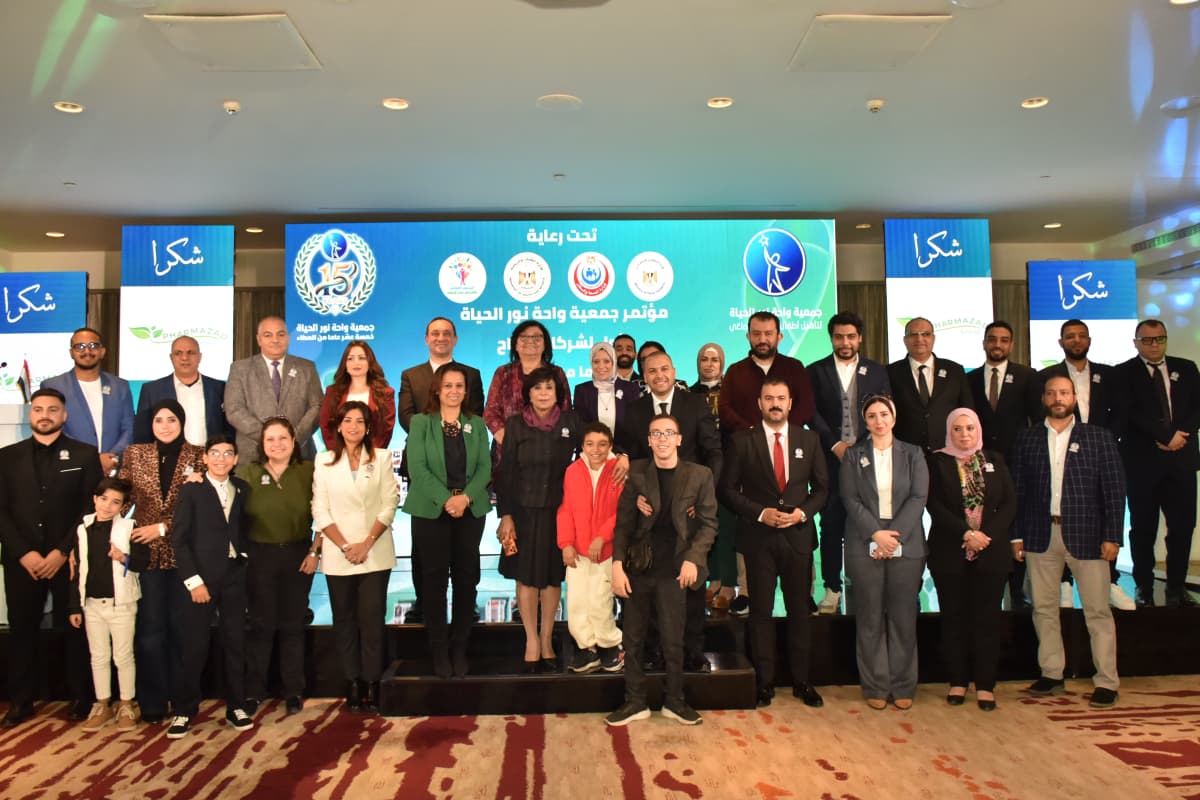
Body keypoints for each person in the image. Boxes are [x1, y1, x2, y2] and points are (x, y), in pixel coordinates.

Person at [1010, 376, 1124, 708]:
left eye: (1063, 393)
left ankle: (1106, 681)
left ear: (1074, 397)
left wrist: (1113, 535)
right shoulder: (1028, 438)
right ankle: (1052, 674)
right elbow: (1018, 490)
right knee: (1043, 609)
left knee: (1097, 611)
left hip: (1089, 536)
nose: (1057, 398)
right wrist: (1016, 534)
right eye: (1051, 393)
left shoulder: (1098, 437)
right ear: (1043, 399)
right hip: (1039, 534)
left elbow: (1114, 489)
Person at [720, 378, 828, 708]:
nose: (775, 403)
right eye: (769, 398)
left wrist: (801, 514)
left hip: (798, 538)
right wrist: (760, 513)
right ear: (760, 403)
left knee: (800, 613)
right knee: (761, 613)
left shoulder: (809, 439)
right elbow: (727, 490)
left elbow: (822, 489)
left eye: (781, 398)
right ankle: (764, 683)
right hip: (759, 539)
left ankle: (802, 682)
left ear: (791, 403)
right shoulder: (742, 441)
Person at [606, 414, 718, 727]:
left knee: (673, 639)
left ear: (679, 439)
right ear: (649, 440)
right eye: (656, 433)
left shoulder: (700, 475)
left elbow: (709, 524)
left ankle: (675, 701)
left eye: (669, 433)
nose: (663, 439)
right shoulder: (637, 474)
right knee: (633, 639)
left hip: (677, 569)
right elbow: (623, 525)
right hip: (640, 567)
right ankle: (635, 701)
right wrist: (617, 565)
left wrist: (693, 559)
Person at [0, 387, 102, 728]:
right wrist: (24, 553)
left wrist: (62, 551)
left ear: (64, 415)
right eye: (39, 409)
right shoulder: (6, 456)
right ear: (31, 414)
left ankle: (79, 697)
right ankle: (21, 701)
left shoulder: (85, 454)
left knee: (73, 629)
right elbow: (1, 511)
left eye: (52, 409)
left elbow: (89, 509)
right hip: (22, 561)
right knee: (22, 630)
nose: (45, 415)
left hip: (67, 559)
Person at [625, 350, 721, 672]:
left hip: (689, 513)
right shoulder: (635, 410)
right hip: (650, 515)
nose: (659, 375)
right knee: (652, 585)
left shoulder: (695, 404)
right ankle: (655, 652)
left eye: (664, 369)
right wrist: (637, 496)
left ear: (674, 370)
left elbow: (713, 452)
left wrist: (703, 495)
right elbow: (631, 459)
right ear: (644, 376)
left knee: (690, 585)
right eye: (652, 371)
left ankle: (693, 652)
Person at [118, 398, 206, 725]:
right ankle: (153, 702)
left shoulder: (199, 455)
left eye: (172, 419)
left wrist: (163, 527)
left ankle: (185, 702)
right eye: (159, 420)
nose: (165, 425)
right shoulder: (135, 454)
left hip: (187, 557)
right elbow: (121, 497)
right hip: (149, 557)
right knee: (150, 631)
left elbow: (201, 507)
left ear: (182, 422)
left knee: (185, 632)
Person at [402, 364, 492, 678]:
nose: (454, 391)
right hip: (431, 512)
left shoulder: (476, 424)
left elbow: (485, 468)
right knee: (434, 582)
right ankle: (439, 650)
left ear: (466, 391)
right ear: (437, 390)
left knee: (466, 581)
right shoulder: (421, 423)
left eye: (459, 386)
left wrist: (464, 498)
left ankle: (459, 648)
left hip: (469, 511)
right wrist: (446, 500)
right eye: (448, 385)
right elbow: (417, 468)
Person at [840, 394, 929, 710]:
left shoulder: (913, 454)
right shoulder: (854, 455)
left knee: (903, 618)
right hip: (865, 541)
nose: (879, 421)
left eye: (884, 414)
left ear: (893, 418)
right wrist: (876, 535)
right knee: (870, 618)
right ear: (865, 422)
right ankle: (876, 686)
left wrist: (893, 538)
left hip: (907, 543)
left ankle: (903, 685)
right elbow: (850, 499)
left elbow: (919, 497)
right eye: (872, 416)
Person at [926, 408, 1017, 711]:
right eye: (957, 429)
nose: (964, 434)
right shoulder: (937, 462)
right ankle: (957, 681)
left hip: (991, 552)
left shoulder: (995, 460)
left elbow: (1009, 503)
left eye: (970, 428)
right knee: (953, 619)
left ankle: (985, 685)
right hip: (949, 551)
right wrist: (966, 534)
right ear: (948, 432)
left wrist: (985, 535)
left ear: (978, 430)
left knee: (987, 620)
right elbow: (934, 505)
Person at [312, 401, 399, 714]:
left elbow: (390, 503)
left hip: (374, 551)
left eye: (360, 421)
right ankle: (352, 682)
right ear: (338, 425)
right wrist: (345, 546)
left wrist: (366, 543)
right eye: (347, 420)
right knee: (345, 621)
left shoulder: (382, 458)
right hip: (339, 554)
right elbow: (319, 508)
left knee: (372, 621)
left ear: (368, 427)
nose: (353, 427)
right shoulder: (323, 461)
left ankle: (373, 681)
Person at [397, 317, 485, 625]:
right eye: (435, 333)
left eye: (447, 333)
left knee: (466, 554)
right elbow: (406, 416)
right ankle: (424, 602)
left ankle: (467, 603)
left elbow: (476, 414)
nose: (441, 337)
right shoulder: (411, 375)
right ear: (426, 338)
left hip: (464, 466)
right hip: (424, 467)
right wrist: (431, 435)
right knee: (424, 547)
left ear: (455, 339)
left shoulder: (471, 374)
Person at [1037, 319, 1129, 609]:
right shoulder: (1046, 376)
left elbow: (1122, 413)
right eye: (1070, 336)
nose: (1076, 340)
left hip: (1099, 453)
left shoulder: (1109, 375)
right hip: (1058, 451)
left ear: (1089, 340)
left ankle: (1110, 581)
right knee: (1062, 514)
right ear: (1061, 342)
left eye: (1081, 336)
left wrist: (1105, 441)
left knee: (1101, 514)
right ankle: (1064, 583)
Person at [495, 367, 581, 672]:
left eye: (549, 388)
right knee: (527, 577)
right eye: (537, 388)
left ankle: (547, 640)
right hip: (522, 512)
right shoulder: (516, 424)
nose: (543, 393)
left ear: (558, 394)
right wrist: (506, 515)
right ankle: (531, 640)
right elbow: (505, 473)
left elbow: (592, 453)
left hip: (560, 512)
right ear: (528, 394)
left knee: (552, 577)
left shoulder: (571, 423)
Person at [168, 434, 253, 738]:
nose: (221, 459)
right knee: (194, 646)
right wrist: (194, 582)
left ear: (236, 459)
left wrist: (244, 558)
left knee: (235, 643)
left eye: (228, 453)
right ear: (204, 458)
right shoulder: (191, 489)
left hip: (234, 578)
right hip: (200, 581)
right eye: (215, 453)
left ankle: (237, 706)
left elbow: (244, 529)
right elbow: (179, 539)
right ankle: (184, 710)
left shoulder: (242, 488)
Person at [808, 311, 891, 614]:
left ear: (860, 338)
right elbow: (810, 412)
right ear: (831, 338)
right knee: (831, 523)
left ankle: (867, 582)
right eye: (839, 337)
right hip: (829, 459)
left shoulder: (876, 371)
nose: (845, 342)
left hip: (870, 459)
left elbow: (885, 407)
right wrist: (835, 444)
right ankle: (832, 587)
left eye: (851, 336)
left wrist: (863, 443)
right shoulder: (815, 371)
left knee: (870, 521)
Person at [1116, 319, 1200, 608]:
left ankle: (1176, 587)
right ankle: (1144, 586)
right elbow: (1129, 413)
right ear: (1136, 342)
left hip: (1181, 460)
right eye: (1147, 339)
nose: (1154, 344)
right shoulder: (1123, 373)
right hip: (1142, 464)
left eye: (1159, 338)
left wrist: (1179, 436)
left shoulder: (1186, 368)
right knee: (1143, 529)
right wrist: (1164, 436)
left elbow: (1197, 407)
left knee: (1182, 527)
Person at [238, 417, 317, 716]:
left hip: (298, 555)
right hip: (259, 557)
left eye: (283, 438)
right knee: (261, 624)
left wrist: (315, 551)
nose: (277, 444)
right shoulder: (247, 473)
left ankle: (293, 691)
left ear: (294, 441)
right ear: (262, 443)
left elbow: (326, 512)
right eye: (270, 439)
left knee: (293, 624)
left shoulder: (308, 471)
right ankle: (254, 691)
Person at [69, 477, 149, 731]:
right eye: (103, 499)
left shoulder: (130, 527)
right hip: (92, 604)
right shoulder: (82, 528)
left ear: (123, 506)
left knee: (123, 656)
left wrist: (122, 557)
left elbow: (142, 562)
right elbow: (76, 570)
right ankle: (102, 704)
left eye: (115, 502)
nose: (107, 506)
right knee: (99, 656)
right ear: (95, 499)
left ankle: (126, 703)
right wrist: (75, 606)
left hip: (120, 604)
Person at [556, 422, 625, 674]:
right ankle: (587, 648)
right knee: (577, 602)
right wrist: (566, 543)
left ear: (611, 446)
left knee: (600, 600)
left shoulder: (618, 470)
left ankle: (611, 645)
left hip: (605, 552)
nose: (596, 449)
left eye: (602, 444)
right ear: (582, 446)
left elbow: (621, 512)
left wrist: (602, 538)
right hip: (577, 551)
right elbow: (566, 510)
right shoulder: (573, 471)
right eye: (590, 444)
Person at [224, 316, 322, 460]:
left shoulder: (307, 367)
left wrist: (293, 438)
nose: (275, 340)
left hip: (299, 452)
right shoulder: (240, 368)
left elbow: (317, 406)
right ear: (259, 339)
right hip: (253, 455)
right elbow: (234, 409)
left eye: (280, 334)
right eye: (268, 335)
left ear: (288, 338)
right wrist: (268, 438)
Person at [689, 342, 740, 612]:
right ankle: (714, 579)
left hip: (731, 466)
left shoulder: (732, 393)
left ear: (722, 363)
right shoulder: (688, 394)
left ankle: (729, 584)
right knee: (705, 523)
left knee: (727, 525)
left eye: (714, 359)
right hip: (699, 468)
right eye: (704, 359)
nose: (709, 364)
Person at [43, 327, 134, 475]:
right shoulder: (53, 386)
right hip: (71, 469)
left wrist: (112, 458)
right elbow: (55, 429)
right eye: (79, 346)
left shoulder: (120, 386)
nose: (87, 351)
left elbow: (129, 428)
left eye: (93, 346)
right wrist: (90, 458)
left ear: (102, 351)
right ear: (71, 353)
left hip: (112, 471)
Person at [886, 317, 973, 456]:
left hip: (948, 451)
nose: (919, 339)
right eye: (913, 334)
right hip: (906, 453)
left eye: (925, 334)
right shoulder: (890, 372)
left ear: (933, 338)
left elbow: (967, 411)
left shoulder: (954, 370)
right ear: (905, 340)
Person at [719, 311, 816, 435]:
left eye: (768, 334)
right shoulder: (735, 371)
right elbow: (724, 409)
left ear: (779, 337)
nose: (762, 339)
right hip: (746, 441)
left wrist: (781, 431)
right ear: (748, 336)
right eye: (756, 334)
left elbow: (806, 406)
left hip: (788, 441)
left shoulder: (795, 367)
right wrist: (751, 432)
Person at [484, 320, 571, 451]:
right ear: (515, 344)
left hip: (548, 450)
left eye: (537, 337)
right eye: (524, 337)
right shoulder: (503, 373)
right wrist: (509, 441)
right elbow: (491, 413)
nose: (530, 341)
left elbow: (565, 411)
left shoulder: (557, 373)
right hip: (508, 449)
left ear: (545, 344)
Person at [133, 335, 233, 447]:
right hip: (167, 456)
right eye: (178, 353)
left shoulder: (219, 388)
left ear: (200, 356)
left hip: (211, 455)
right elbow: (142, 434)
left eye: (191, 352)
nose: (185, 358)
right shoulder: (151, 390)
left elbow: (230, 429)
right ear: (171, 357)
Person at [319, 340, 396, 450]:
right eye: (350, 358)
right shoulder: (332, 392)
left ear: (370, 362)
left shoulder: (385, 393)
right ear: (345, 364)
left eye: (361, 358)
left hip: (373, 455)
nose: (356, 363)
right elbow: (326, 426)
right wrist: (338, 453)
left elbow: (386, 429)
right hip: (339, 454)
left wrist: (369, 455)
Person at [573, 342, 639, 455]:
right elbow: (581, 429)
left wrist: (621, 454)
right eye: (596, 362)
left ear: (614, 362)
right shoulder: (582, 390)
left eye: (606, 361)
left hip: (624, 457)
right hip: (591, 456)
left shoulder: (630, 389)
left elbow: (634, 429)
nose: (601, 366)